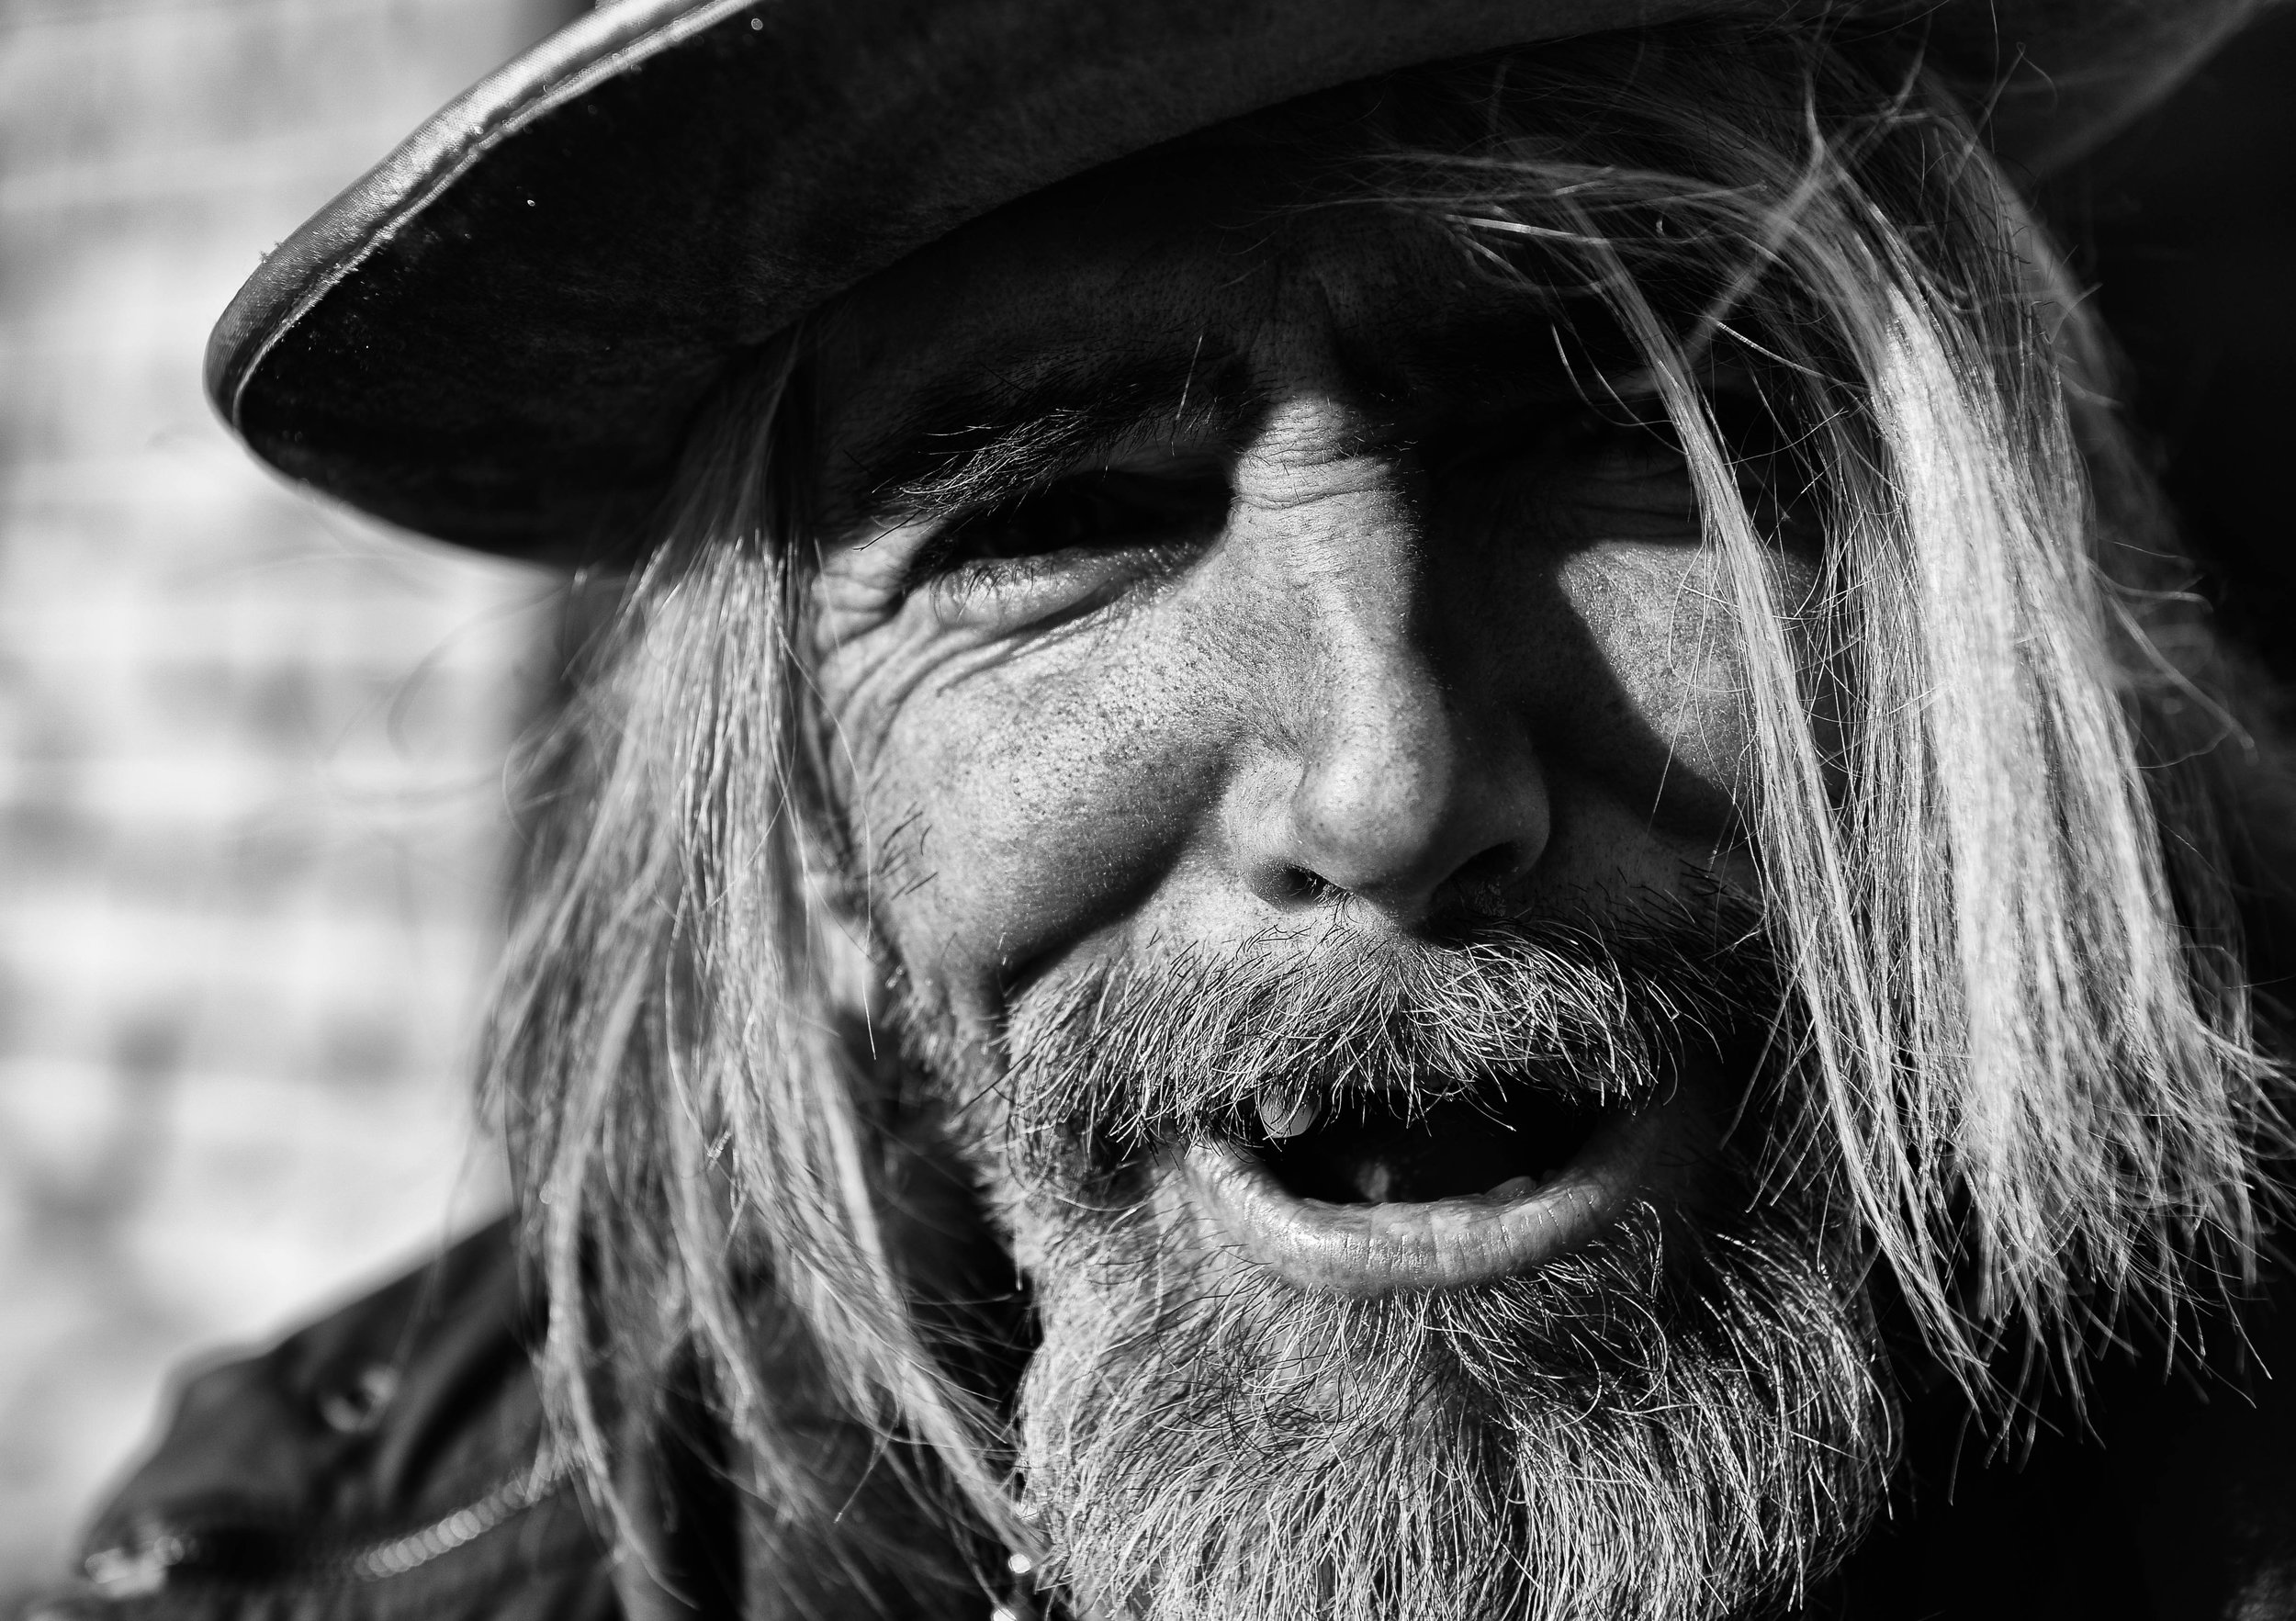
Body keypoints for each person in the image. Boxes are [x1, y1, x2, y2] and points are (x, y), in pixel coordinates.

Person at [30, 1, 2296, 1617]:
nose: (1387, 785)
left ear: (1969, 605)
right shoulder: (331, 1571)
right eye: (1069, 521)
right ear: (803, 823)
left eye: (1617, 436)